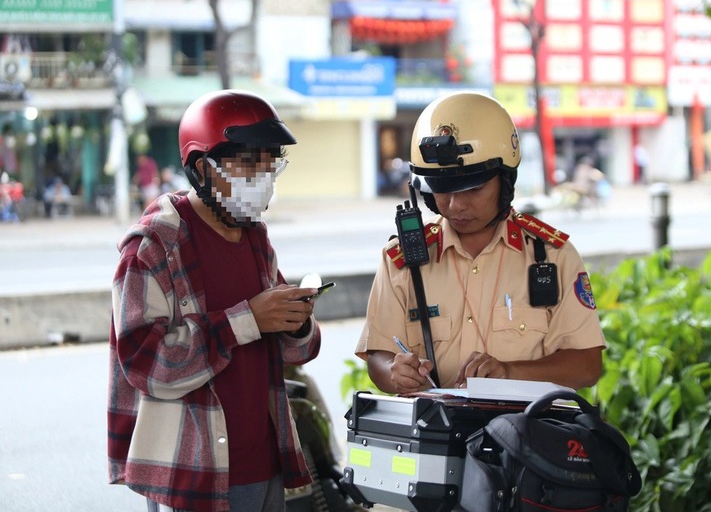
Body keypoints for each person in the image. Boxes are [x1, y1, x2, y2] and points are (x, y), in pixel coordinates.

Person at [108, 90, 322, 512]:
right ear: (203, 168)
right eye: (247, 163)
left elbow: (296, 349)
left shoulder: (255, 237)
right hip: (193, 472)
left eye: (270, 163)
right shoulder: (152, 247)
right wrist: (247, 321)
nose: (263, 176)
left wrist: (296, 321)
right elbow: (145, 363)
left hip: (265, 463)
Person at [355, 92, 605, 394]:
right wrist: (394, 372)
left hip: (525, 436)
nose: (454, 205)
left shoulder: (553, 257)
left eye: (473, 189)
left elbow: (587, 365)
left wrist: (509, 372)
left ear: (506, 180)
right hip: (435, 435)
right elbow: (379, 356)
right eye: (441, 190)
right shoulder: (399, 261)